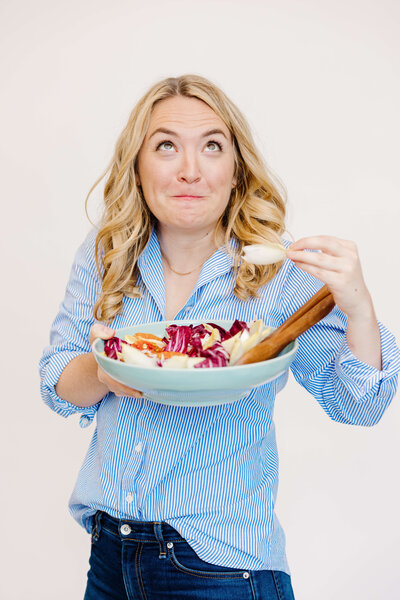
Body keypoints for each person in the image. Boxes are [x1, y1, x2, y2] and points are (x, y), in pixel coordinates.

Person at [39, 74, 400, 600]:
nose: (190, 170)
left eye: (212, 146)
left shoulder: (277, 270)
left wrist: (361, 309)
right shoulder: (107, 255)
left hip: (220, 566)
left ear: (235, 171)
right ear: (138, 169)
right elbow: (56, 380)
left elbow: (360, 405)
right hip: (110, 557)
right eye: (166, 146)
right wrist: (104, 371)